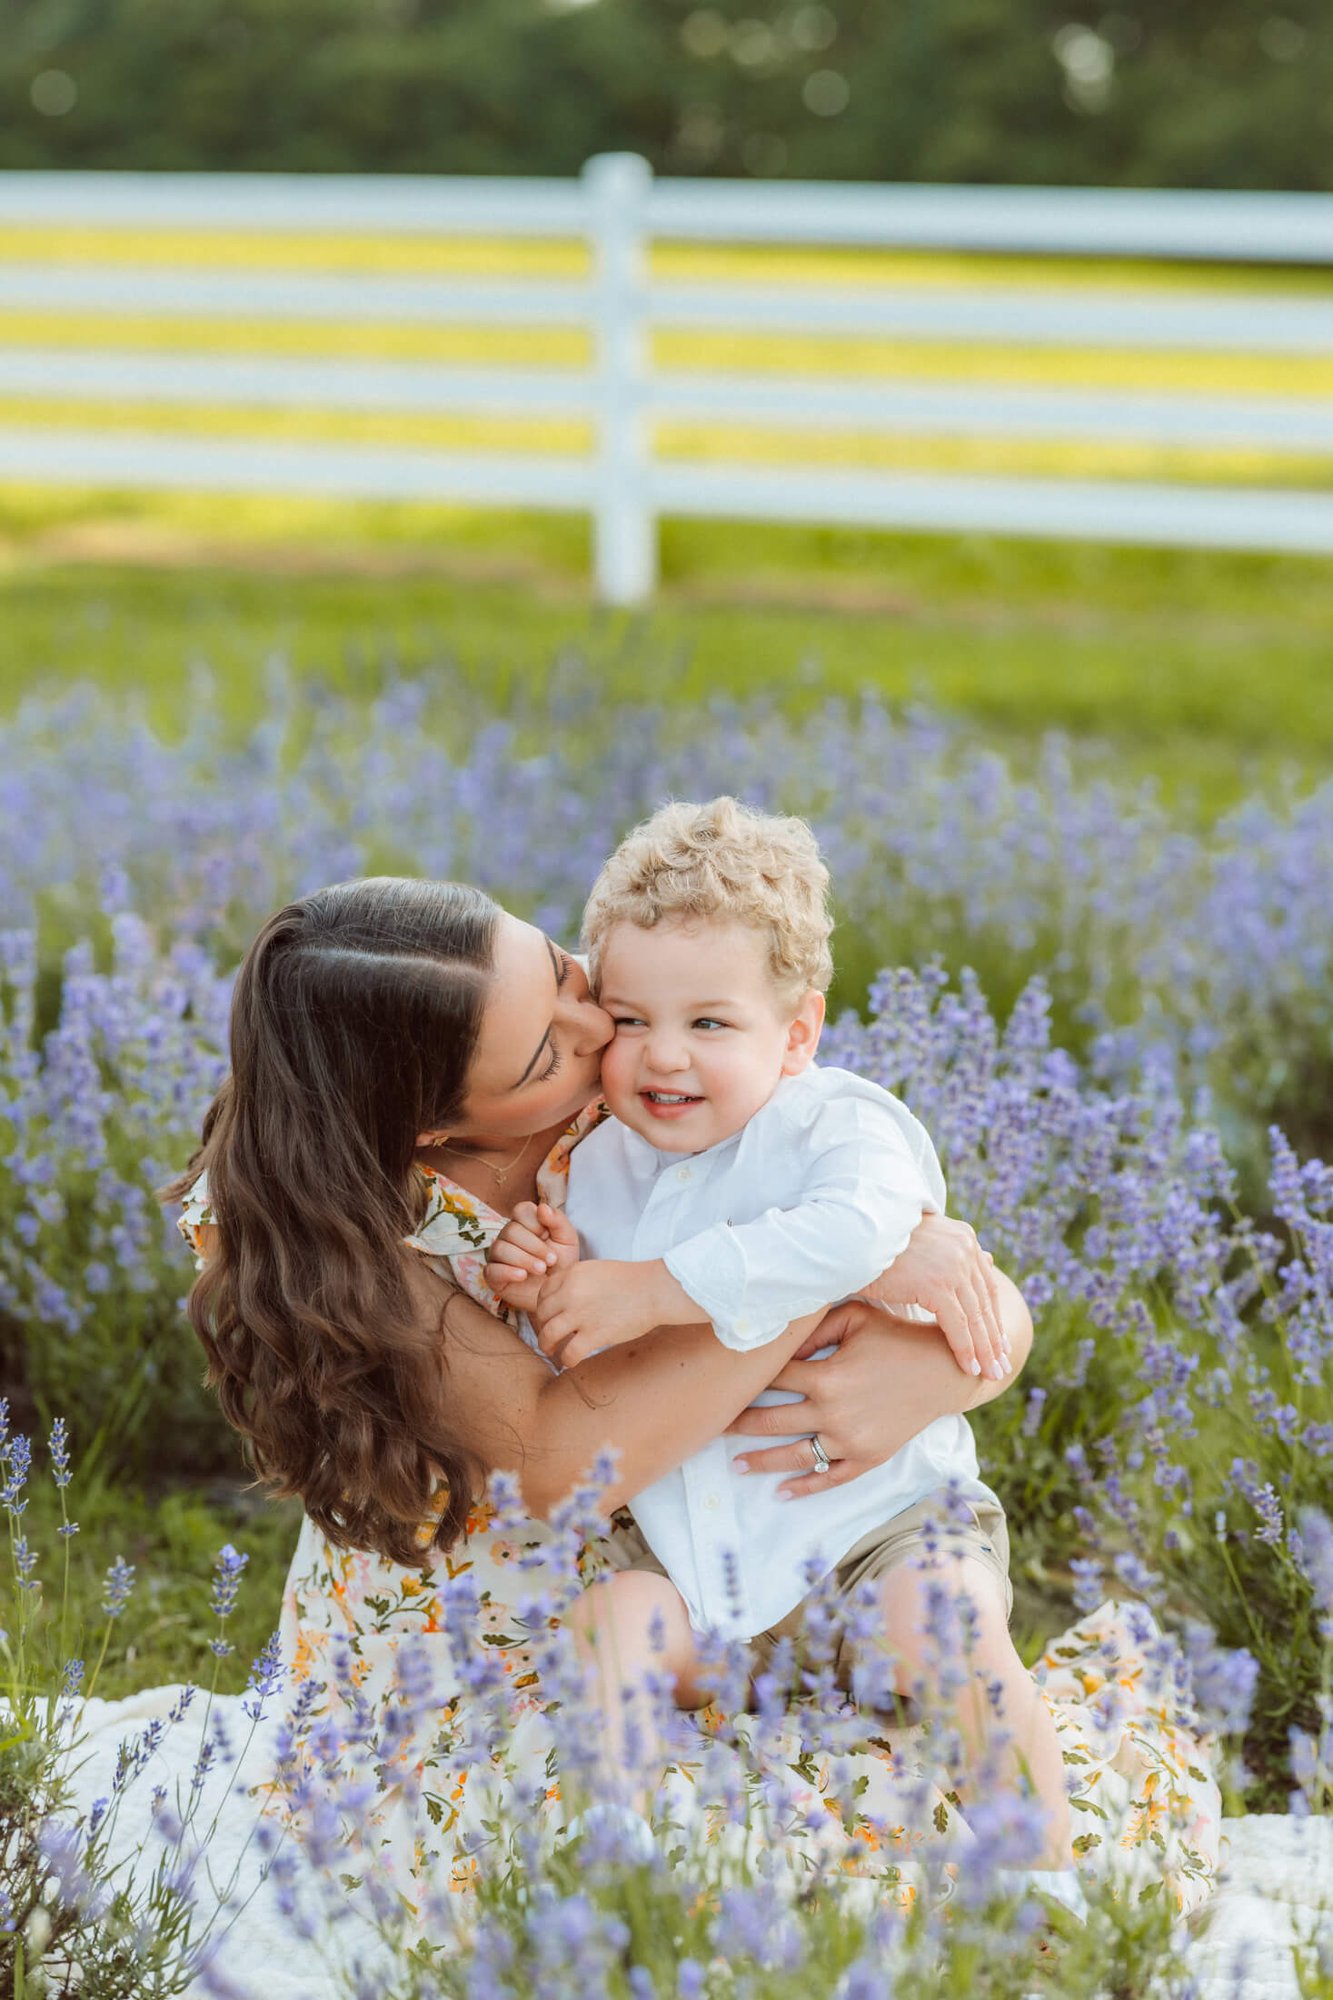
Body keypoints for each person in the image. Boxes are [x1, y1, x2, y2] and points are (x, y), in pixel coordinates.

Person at [483, 799, 1075, 1895]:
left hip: (873, 1536)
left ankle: (1046, 1868)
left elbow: (862, 1231)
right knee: (609, 1624)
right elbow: (577, 1352)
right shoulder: (599, 1163)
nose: (663, 1055)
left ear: (796, 1032)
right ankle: (621, 1862)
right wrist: (543, 1276)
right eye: (630, 1018)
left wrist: (654, 1290)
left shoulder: (838, 1125)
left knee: (942, 1622)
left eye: (711, 1023)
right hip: (690, 1569)